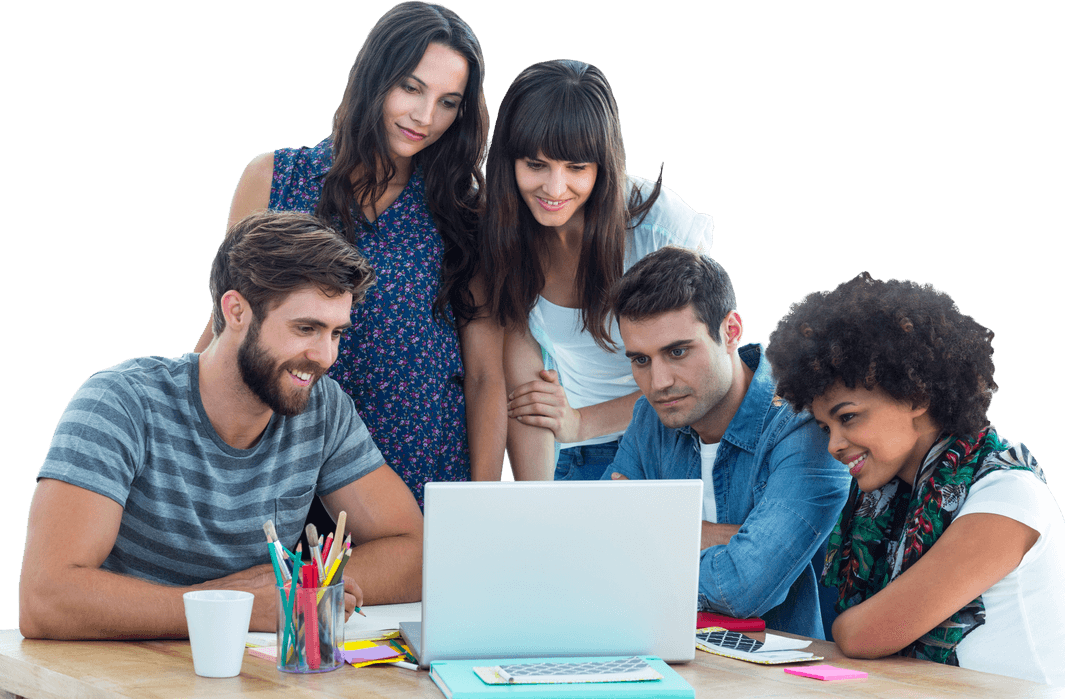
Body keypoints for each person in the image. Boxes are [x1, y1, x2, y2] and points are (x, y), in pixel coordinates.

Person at [18, 211, 424, 640]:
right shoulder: (121, 404)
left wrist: (289, 584)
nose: (325, 356)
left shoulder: (323, 409)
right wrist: (232, 603)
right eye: (306, 328)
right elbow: (46, 598)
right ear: (236, 311)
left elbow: (414, 553)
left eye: (336, 333)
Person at [192, 2, 502, 511]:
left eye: (449, 102)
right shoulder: (273, 179)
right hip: (283, 465)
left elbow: (486, 374)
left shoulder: (464, 208)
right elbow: (227, 326)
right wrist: (175, 424)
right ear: (374, 77)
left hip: (421, 471)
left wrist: (483, 509)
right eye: (411, 88)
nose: (426, 118)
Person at [765, 272, 1065, 687]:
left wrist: (846, 626)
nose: (834, 445)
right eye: (826, 428)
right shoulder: (888, 504)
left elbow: (862, 634)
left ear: (916, 397)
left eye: (847, 418)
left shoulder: (1008, 496)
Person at [478, 59, 713, 480]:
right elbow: (530, 398)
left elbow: (700, 373)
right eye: (535, 165)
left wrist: (582, 421)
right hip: (585, 454)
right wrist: (538, 510)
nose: (554, 189)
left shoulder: (658, 228)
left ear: (602, 165)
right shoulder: (502, 239)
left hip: (681, 441)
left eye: (576, 168)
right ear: (509, 161)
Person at [600, 247, 850, 638]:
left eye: (677, 351)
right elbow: (597, 550)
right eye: (641, 360)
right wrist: (721, 535)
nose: (659, 382)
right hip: (664, 654)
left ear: (730, 332)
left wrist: (652, 539)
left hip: (780, 678)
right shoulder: (652, 416)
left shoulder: (804, 424)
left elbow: (743, 590)